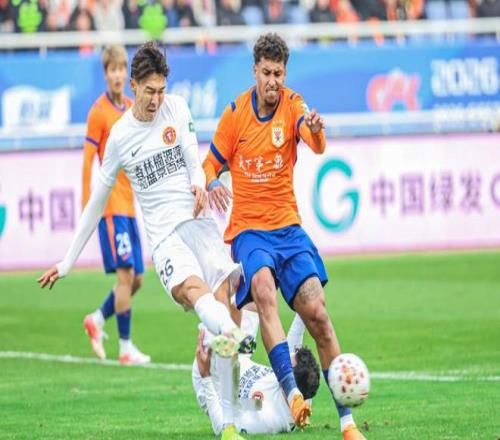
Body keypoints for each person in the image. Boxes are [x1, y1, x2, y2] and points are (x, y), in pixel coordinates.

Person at [38, 41, 253, 440]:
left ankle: (226, 419)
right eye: (149, 91)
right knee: (196, 294)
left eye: (161, 90)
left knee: (227, 303)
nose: (156, 100)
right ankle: (229, 339)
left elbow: (193, 158)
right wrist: (67, 262)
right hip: (166, 238)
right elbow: (95, 202)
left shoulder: (177, 107)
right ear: (134, 86)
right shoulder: (120, 137)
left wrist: (198, 182)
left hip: (200, 224)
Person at [202, 32, 366, 440]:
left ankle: (347, 424)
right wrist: (213, 182)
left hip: (289, 230)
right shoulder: (235, 113)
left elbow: (316, 142)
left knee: (319, 315)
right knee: (262, 289)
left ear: (284, 74)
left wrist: (317, 130)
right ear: (255, 71)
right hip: (249, 231)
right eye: (266, 73)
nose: (272, 81)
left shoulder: (294, 105)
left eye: (278, 73)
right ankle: (292, 393)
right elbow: (209, 164)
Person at [81, 44, 149, 365]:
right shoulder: (98, 112)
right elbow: (87, 162)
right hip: (110, 207)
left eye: (122, 69)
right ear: (105, 74)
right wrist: (87, 206)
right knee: (125, 277)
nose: (118, 75)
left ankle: (96, 319)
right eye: (113, 70)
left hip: (129, 206)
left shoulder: (133, 108)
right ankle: (125, 348)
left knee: (137, 279)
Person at [193, 312, 321, 435]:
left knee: (214, 318)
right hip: (240, 356)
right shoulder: (302, 394)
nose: (284, 362)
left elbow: (221, 427)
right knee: (250, 301)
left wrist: (205, 377)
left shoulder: (268, 418)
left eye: (288, 363)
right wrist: (302, 309)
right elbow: (292, 347)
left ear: (291, 378)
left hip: (215, 382)